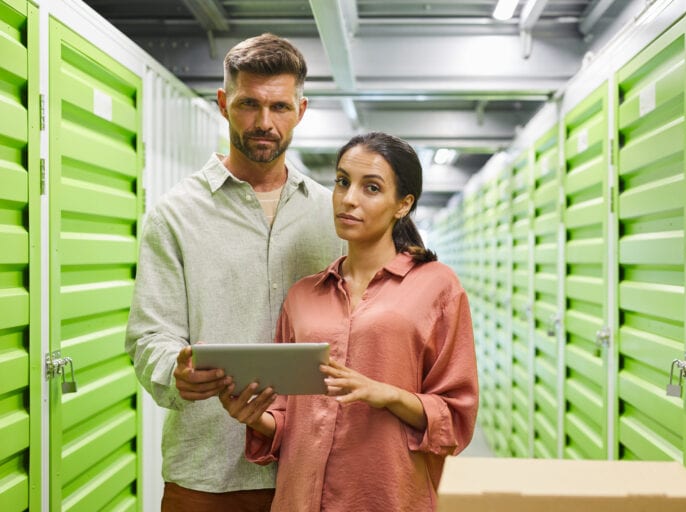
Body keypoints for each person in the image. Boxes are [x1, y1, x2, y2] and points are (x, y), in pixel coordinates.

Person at [125, 33, 344, 511]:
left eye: (280, 107)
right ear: (224, 103)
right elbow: (149, 336)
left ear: (301, 111)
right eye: (249, 104)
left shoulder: (333, 218)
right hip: (206, 474)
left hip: (315, 469)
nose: (264, 122)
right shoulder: (176, 214)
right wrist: (174, 371)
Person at [220, 132, 479, 511]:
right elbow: (289, 416)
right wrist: (256, 417)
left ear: (402, 204)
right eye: (342, 182)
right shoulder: (303, 296)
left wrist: (389, 394)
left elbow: (456, 416)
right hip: (301, 498)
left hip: (385, 495)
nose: (348, 198)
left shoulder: (438, 286)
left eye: (371, 188)